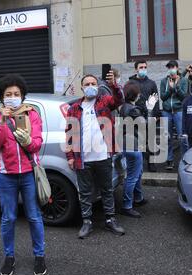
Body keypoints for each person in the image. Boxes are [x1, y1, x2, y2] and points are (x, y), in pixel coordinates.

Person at [0, 74, 46, 275]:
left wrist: (27, 140)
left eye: (16, 94)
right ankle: (9, 257)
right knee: (8, 218)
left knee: (34, 217)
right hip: (5, 176)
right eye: (8, 94)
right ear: (2, 97)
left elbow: (36, 145)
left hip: (29, 173)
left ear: (22, 95)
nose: (12, 97)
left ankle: (39, 256)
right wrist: (2, 122)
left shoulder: (32, 115)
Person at [65, 71, 126, 239]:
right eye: (87, 84)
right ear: (82, 88)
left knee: (107, 190)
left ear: (98, 87)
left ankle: (110, 219)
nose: (90, 87)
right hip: (82, 158)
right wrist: (69, 156)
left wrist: (114, 84)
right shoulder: (74, 108)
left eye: (93, 84)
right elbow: (69, 133)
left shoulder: (104, 102)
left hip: (103, 156)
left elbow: (119, 99)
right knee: (84, 192)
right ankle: (87, 222)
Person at [119, 81, 149, 218]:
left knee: (137, 172)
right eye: (138, 93)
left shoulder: (124, 107)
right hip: (133, 144)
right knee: (132, 176)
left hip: (128, 143)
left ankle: (138, 198)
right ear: (135, 95)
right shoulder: (132, 109)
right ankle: (127, 206)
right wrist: (149, 108)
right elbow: (145, 124)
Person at [128, 60, 160, 172]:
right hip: (135, 115)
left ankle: (152, 163)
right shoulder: (131, 83)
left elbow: (156, 99)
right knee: (138, 140)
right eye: (141, 67)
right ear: (136, 69)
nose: (143, 69)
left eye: (145, 67)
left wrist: (156, 115)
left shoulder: (151, 83)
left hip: (149, 115)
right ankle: (139, 164)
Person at [160, 60, 188, 170]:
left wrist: (176, 87)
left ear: (177, 68)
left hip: (179, 111)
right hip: (167, 111)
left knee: (182, 136)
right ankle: (169, 160)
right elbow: (163, 96)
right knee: (167, 137)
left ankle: (184, 159)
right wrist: (170, 89)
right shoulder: (164, 81)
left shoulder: (184, 80)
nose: (171, 69)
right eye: (169, 67)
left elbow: (184, 96)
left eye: (173, 67)